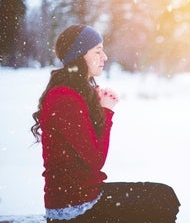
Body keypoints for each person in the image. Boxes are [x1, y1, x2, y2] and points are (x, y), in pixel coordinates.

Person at [31, 24, 180, 222]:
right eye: (98, 51)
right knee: (162, 199)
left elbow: (89, 152)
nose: (105, 57)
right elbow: (95, 159)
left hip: (83, 197)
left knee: (164, 197)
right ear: (80, 55)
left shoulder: (74, 93)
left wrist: (99, 109)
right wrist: (106, 111)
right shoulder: (65, 98)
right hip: (74, 207)